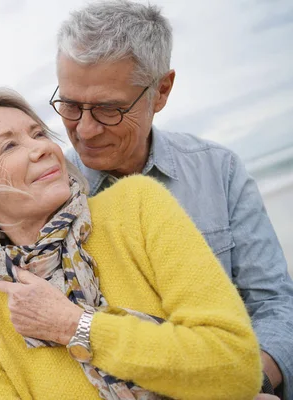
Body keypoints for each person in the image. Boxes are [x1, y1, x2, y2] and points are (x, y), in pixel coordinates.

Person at [0, 87, 262, 399]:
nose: (43, 148)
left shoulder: (138, 207)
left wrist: (75, 326)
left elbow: (236, 365)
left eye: (38, 134)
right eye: (9, 146)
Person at [47, 1, 293, 398]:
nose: (85, 130)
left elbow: (274, 302)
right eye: (71, 106)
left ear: (161, 91)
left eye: (109, 109)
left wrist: (250, 385)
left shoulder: (220, 171)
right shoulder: (48, 198)